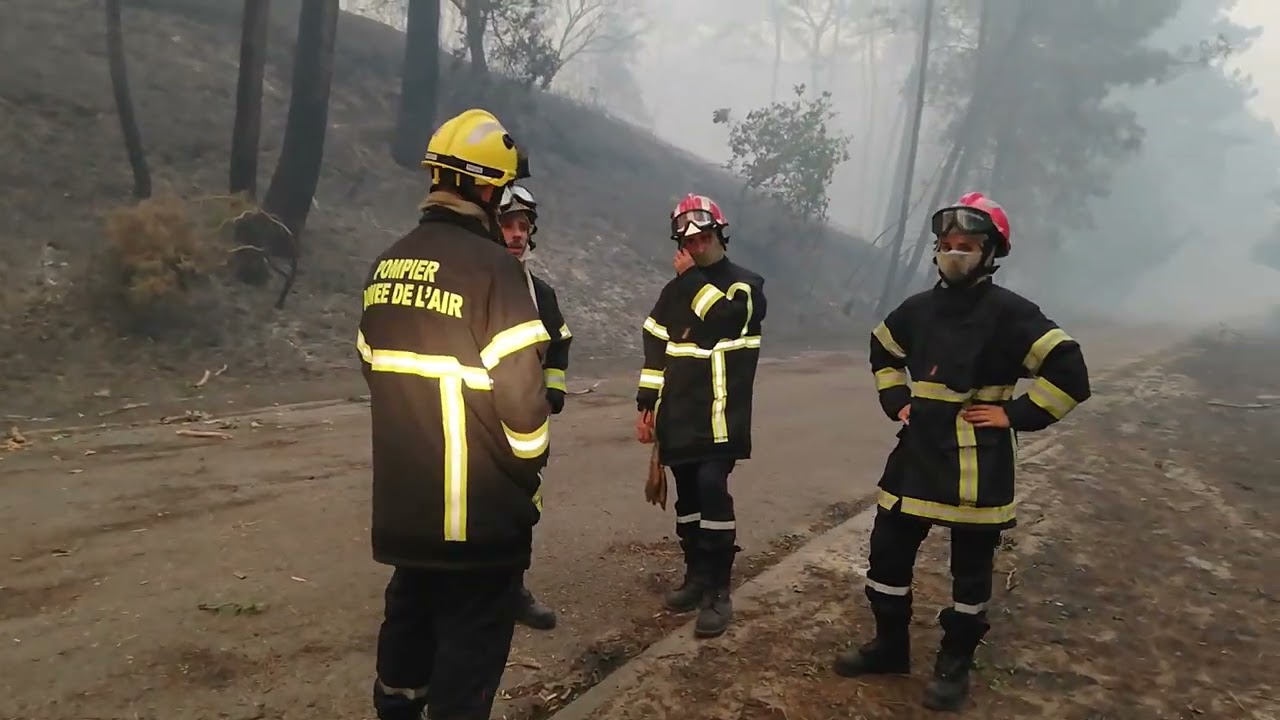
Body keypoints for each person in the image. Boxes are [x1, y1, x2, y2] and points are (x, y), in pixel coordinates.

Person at [833, 192, 1092, 712]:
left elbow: (1070, 373)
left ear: (990, 252)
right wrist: (896, 400)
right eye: (947, 244)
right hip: (916, 456)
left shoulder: (1012, 314)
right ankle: (889, 647)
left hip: (978, 462)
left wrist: (1014, 414)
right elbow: (884, 349)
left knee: (970, 574)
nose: (954, 253)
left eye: (967, 245)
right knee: (886, 553)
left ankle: (954, 665)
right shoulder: (918, 310)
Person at [360, 107, 552, 720]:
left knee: (404, 660)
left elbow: (372, 368)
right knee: (463, 685)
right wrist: (525, 481)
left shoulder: (386, 265)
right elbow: (525, 411)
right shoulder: (497, 272)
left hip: (406, 518)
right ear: (488, 190)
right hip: (479, 529)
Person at [634, 193, 767, 639]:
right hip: (679, 417)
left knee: (712, 489)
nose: (696, 245)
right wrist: (646, 405)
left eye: (703, 237)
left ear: (719, 234)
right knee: (688, 498)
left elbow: (728, 321)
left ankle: (717, 590)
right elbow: (655, 345)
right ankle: (694, 578)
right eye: (688, 241)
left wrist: (691, 280)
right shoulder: (673, 292)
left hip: (721, 417)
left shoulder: (745, 285)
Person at [497, 183, 572, 631]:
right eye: (507, 224)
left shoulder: (540, 294)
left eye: (523, 226)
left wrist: (553, 389)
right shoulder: (472, 282)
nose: (517, 234)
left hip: (525, 421)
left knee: (524, 505)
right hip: (475, 419)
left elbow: (559, 341)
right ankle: (474, 593)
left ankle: (513, 591)